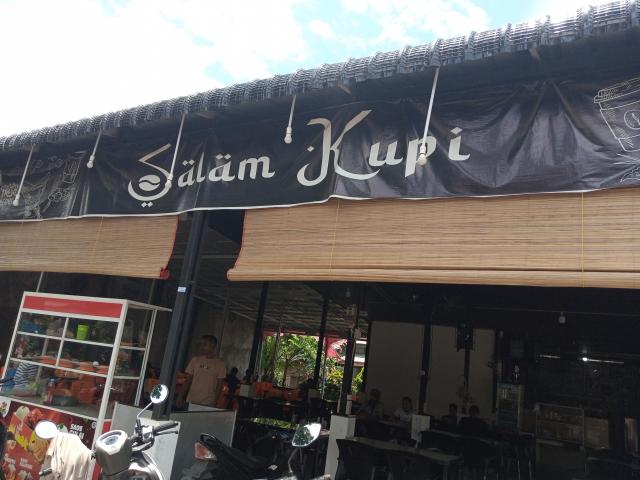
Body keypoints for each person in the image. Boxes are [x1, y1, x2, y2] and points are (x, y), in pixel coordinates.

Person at [177, 335, 226, 408]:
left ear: (212, 345)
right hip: (191, 400)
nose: (202, 347)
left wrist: (214, 402)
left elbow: (220, 386)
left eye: (205, 344)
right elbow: (188, 380)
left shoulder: (220, 364)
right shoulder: (195, 360)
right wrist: (180, 396)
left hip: (208, 402)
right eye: (201, 344)